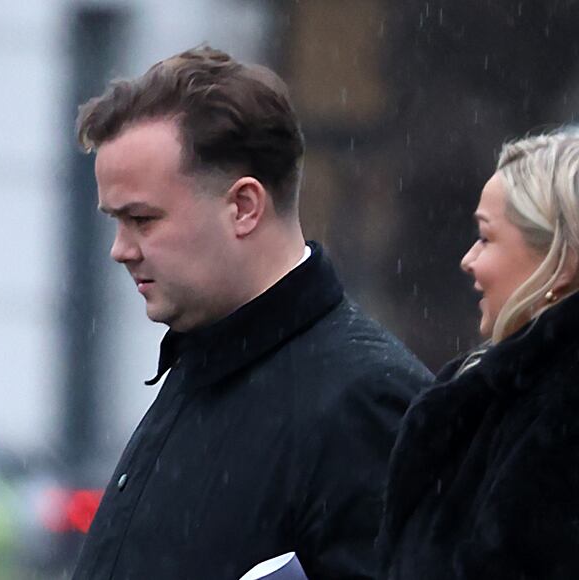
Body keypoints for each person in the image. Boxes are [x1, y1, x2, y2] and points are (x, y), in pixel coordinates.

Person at [72, 46, 431, 580]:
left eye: (142, 219)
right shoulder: (206, 358)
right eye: (116, 221)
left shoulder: (364, 400)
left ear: (243, 207)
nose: (120, 249)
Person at [378, 129, 579, 579]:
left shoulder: (555, 415)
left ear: (559, 263)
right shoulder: (500, 392)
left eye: (486, 238)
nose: (468, 260)